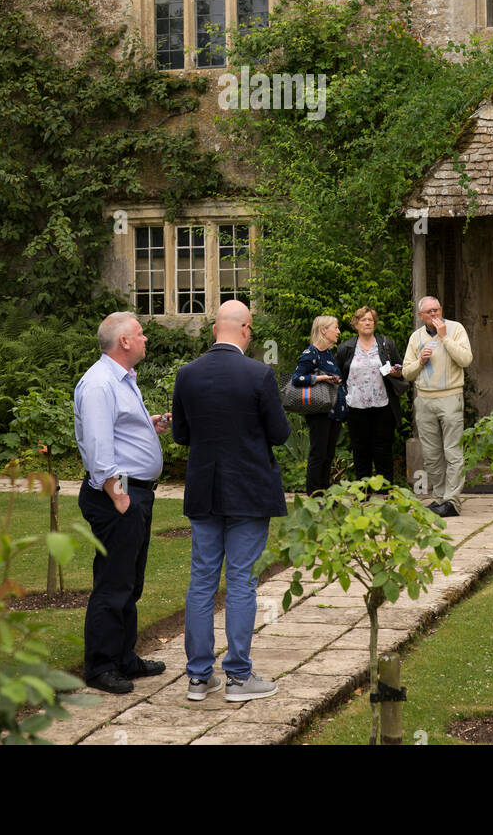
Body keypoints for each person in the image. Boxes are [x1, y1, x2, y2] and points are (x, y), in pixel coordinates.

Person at [171, 299, 291, 703]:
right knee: (241, 580)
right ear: (245, 329)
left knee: (202, 581)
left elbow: (181, 436)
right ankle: (238, 677)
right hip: (249, 491)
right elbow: (279, 433)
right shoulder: (259, 374)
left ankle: (198, 677)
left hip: (204, 489)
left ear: (214, 330)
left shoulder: (187, 374)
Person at [74, 311, 171, 694]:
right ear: (124, 342)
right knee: (113, 584)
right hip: (117, 494)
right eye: (141, 333)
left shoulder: (122, 380)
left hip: (134, 493)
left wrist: (149, 422)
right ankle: (100, 666)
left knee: (130, 582)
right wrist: (117, 494)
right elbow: (98, 445)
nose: (146, 338)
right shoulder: (99, 383)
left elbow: (117, 427)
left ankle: (124, 658)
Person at [402, 295, 473, 518]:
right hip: (424, 400)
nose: (434, 315)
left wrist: (445, 339)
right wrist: (420, 362)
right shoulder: (416, 337)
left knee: (452, 450)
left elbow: (466, 359)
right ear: (420, 316)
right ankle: (441, 498)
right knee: (432, 454)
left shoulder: (456, 329)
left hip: (450, 396)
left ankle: (452, 501)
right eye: (429, 312)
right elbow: (406, 372)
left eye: (437, 310)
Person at [335, 307, 406, 482]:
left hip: (383, 405)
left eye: (371, 320)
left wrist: (396, 371)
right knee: (361, 450)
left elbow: (402, 368)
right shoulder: (346, 348)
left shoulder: (386, 344)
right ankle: (363, 490)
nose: (367, 323)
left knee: (383, 449)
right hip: (356, 407)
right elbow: (338, 376)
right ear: (356, 324)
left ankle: (385, 490)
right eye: (363, 320)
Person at [291, 314, 345, 494]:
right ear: (324, 330)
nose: (338, 331)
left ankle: (325, 492)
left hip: (333, 412)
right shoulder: (311, 353)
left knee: (328, 455)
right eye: (335, 327)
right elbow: (297, 379)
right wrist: (322, 378)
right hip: (319, 412)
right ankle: (315, 495)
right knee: (318, 454)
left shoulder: (328, 353)